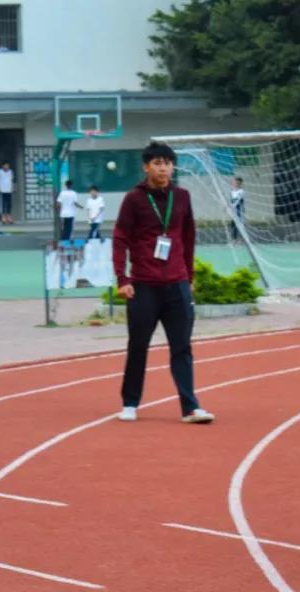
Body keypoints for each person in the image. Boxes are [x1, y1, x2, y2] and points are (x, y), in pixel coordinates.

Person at [112, 141, 214, 425]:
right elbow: (120, 239)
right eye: (157, 163)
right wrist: (123, 278)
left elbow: (188, 238)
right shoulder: (134, 199)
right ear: (146, 167)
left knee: (182, 347)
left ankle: (190, 407)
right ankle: (130, 403)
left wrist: (189, 277)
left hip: (177, 283)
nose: (163, 168)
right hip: (143, 285)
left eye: (167, 163)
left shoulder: (182, 197)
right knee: (138, 346)